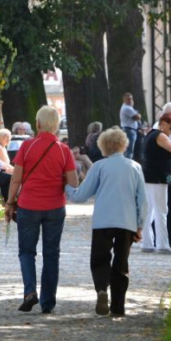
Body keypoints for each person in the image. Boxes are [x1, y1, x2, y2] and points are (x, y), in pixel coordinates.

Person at [65, 128, 147, 317]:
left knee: (99, 258)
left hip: (103, 221)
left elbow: (82, 195)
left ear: (102, 146)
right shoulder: (135, 167)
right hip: (127, 221)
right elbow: (142, 200)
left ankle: (101, 288)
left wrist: (67, 188)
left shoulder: (99, 167)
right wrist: (140, 225)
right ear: (124, 144)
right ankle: (119, 306)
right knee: (121, 262)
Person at [4, 106, 79, 314]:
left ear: (37, 124)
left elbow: (16, 179)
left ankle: (30, 292)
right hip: (55, 206)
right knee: (51, 254)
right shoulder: (63, 150)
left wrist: (10, 203)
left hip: (29, 206)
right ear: (56, 126)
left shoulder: (27, 147)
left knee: (27, 251)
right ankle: (48, 302)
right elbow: (73, 182)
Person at [141, 115, 171, 254]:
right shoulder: (159, 135)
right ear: (163, 124)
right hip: (156, 177)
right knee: (161, 210)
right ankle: (162, 244)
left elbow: (164, 153)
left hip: (152, 176)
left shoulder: (153, 135)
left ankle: (147, 242)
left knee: (150, 210)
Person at [120, 93, 141, 159]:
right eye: (128, 99)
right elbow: (137, 117)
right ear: (124, 100)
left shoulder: (129, 108)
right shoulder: (127, 108)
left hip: (131, 130)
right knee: (129, 150)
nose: (130, 100)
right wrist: (138, 114)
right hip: (129, 130)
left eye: (131, 99)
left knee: (130, 150)